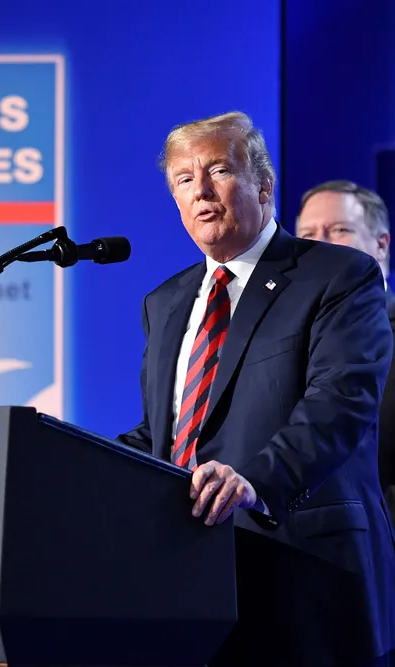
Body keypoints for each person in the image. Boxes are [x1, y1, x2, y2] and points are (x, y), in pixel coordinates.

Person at [117, 111, 395, 667]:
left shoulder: (338, 276)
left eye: (218, 170)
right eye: (184, 179)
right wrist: (72, 463)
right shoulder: (165, 302)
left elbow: (338, 402)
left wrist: (255, 480)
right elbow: (163, 433)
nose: (200, 191)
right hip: (190, 576)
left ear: (264, 185)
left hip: (304, 572)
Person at [295, 180, 395, 525]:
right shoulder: (282, 338)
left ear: (381, 245)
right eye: (307, 234)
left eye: (339, 230)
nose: (320, 244)